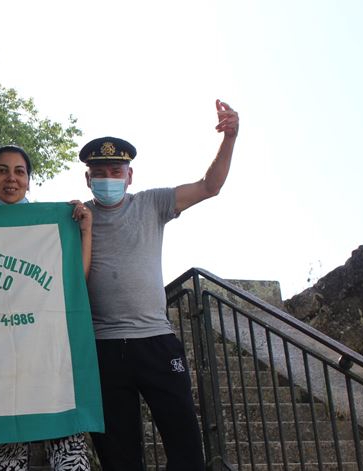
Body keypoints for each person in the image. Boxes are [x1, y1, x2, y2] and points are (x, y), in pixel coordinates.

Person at [82, 99, 239, 470]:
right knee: (118, 457)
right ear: (88, 178)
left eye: (116, 170)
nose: (108, 178)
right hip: (102, 348)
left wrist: (229, 137)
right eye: (100, 171)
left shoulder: (152, 203)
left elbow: (209, 186)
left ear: (130, 175)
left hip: (156, 341)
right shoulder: (76, 216)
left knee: (186, 447)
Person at [0, 145, 93, 471]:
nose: (11, 179)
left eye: (19, 172)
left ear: (29, 181)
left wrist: (84, 232)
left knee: (67, 447)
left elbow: (74, 282)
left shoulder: (50, 225)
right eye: (2, 170)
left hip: (48, 351)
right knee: (6, 454)